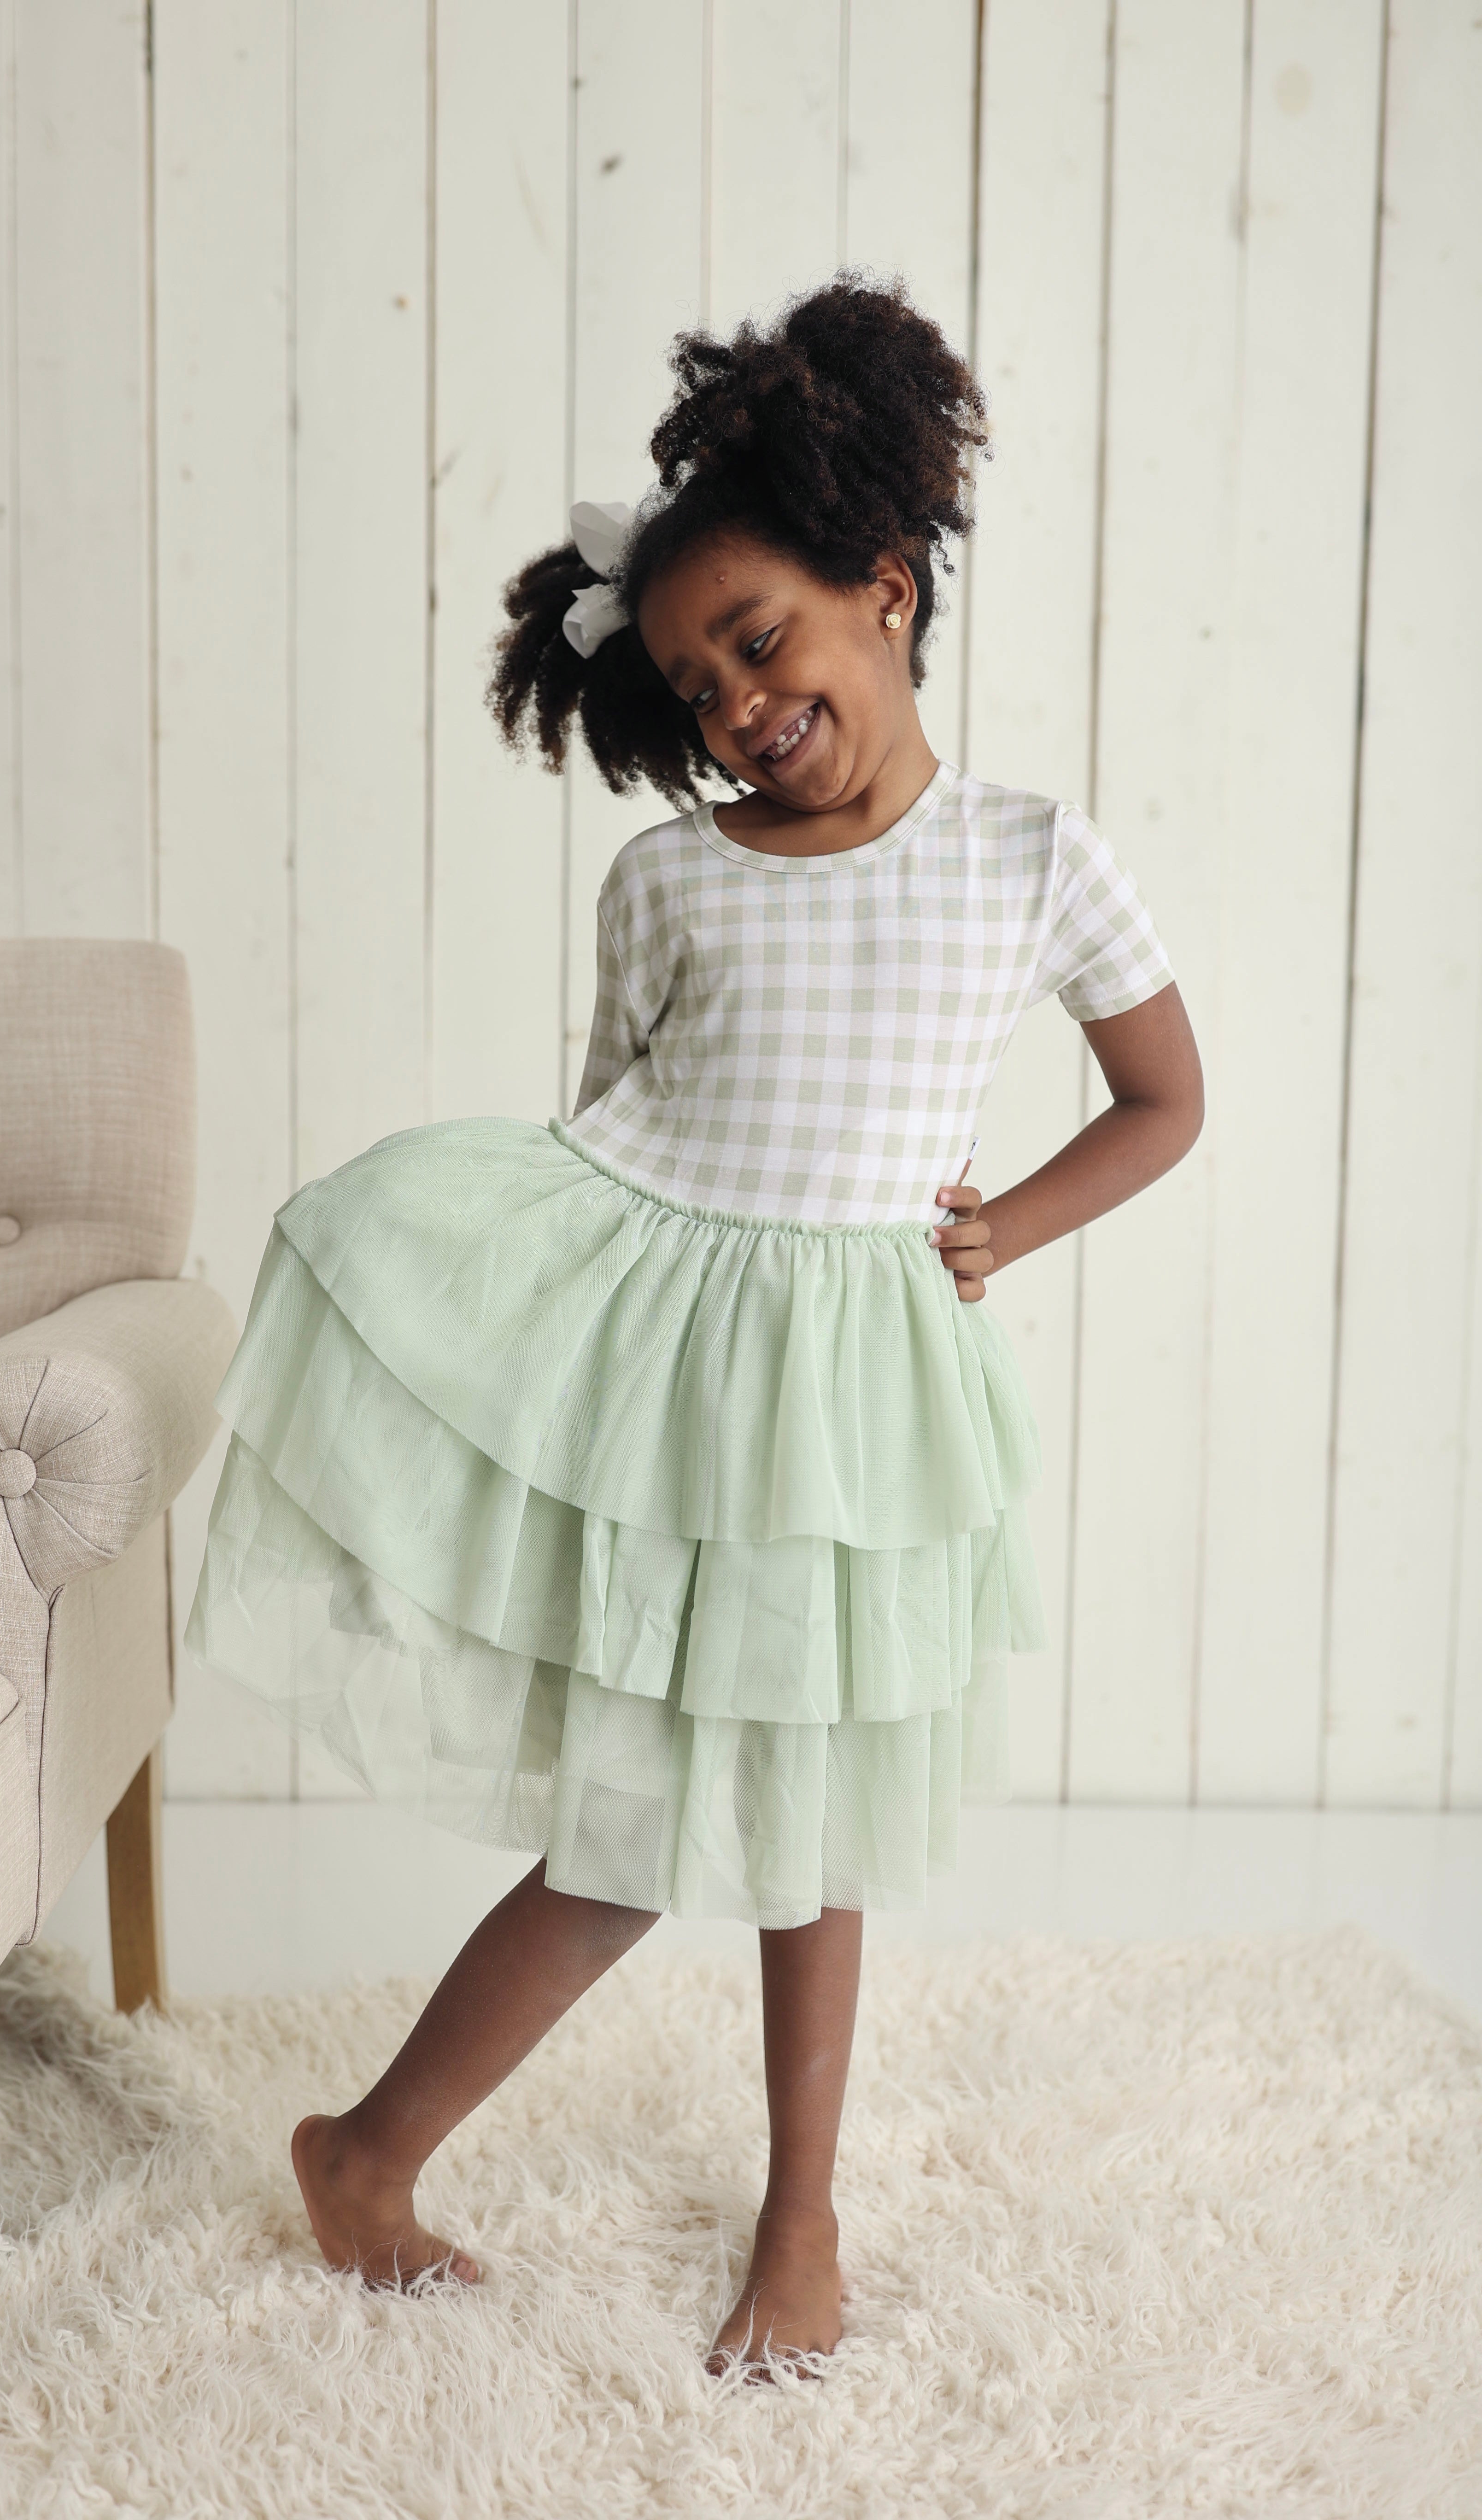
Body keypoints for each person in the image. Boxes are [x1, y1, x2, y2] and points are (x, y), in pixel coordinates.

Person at [186, 273, 1204, 2377]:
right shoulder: (671, 881)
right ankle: (366, 2153)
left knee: (817, 1823)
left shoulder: (1031, 859)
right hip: (684, 1401)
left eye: (759, 641)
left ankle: (799, 2211)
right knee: (635, 1826)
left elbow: (1165, 1098)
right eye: (693, 682)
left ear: (885, 589)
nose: (739, 702)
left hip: (857, 1418)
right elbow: (607, 1154)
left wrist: (1002, 1230)